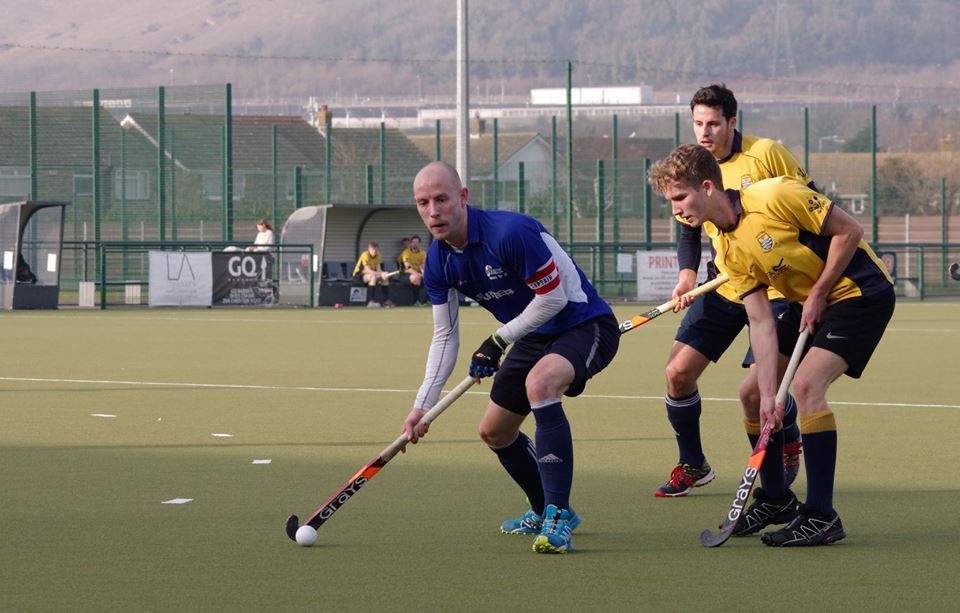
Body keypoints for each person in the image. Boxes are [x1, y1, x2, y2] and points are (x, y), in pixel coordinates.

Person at [649, 144, 895, 546]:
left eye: (680, 198)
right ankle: (777, 498)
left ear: (708, 186)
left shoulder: (776, 195)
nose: (677, 210)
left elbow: (850, 231)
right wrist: (768, 396)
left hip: (858, 293)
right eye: (670, 202)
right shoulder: (726, 250)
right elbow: (761, 321)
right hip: (806, 300)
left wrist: (818, 291)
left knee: (807, 386)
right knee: (751, 395)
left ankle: (821, 516)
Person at [401, 161, 620, 554]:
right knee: (495, 431)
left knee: (541, 384)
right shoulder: (438, 260)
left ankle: (558, 514)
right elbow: (446, 334)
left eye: (442, 199)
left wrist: (499, 339)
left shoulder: (510, 233)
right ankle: (541, 507)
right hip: (531, 336)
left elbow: (552, 298)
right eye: (423, 203)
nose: (433, 211)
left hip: (583, 323)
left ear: (463, 197)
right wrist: (423, 405)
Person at [654, 84, 818, 498]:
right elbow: (689, 229)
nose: (704, 132)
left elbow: (808, 207)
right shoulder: (691, 167)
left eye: (712, 123)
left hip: (776, 284)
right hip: (728, 278)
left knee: (754, 388)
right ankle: (694, 464)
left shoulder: (766, 154)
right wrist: (688, 276)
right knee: (677, 373)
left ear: (731, 122)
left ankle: (786, 433)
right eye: (697, 124)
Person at [352, 241, 394, 307]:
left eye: (376, 249)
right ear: (369, 249)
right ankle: (370, 302)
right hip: (359, 276)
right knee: (373, 277)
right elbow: (368, 270)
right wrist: (380, 273)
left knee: (385, 278)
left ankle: (386, 301)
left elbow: (378, 269)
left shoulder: (378, 255)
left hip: (370, 275)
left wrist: (383, 273)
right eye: (373, 249)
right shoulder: (365, 255)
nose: (374, 251)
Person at [399, 234, 427, 304]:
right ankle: (416, 301)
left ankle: (427, 301)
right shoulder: (406, 253)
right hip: (405, 275)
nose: (415, 244)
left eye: (417, 242)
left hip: (418, 274)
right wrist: (420, 275)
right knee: (416, 277)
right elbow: (408, 268)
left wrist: (425, 274)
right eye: (413, 242)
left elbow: (423, 266)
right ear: (411, 243)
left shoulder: (423, 253)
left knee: (431, 279)